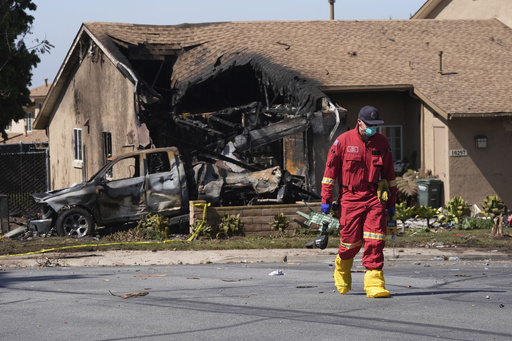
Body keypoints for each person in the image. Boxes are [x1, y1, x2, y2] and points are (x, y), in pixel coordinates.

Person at [321, 105, 397, 298]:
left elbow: (389, 175)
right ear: (359, 123)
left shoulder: (382, 143)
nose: (372, 128)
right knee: (350, 243)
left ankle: (374, 284)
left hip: (373, 197)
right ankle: (342, 267)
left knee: (375, 240)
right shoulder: (343, 142)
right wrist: (326, 198)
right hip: (350, 198)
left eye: (376, 125)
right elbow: (330, 173)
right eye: (369, 125)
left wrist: (391, 204)